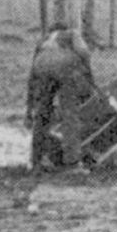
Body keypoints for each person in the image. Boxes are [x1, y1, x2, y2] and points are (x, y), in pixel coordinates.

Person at [26, 28, 99, 171]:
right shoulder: (73, 34)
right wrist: (91, 82)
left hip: (40, 66)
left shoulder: (44, 39)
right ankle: (72, 163)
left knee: (42, 115)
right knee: (69, 115)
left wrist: (29, 109)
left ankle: (36, 161)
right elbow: (84, 54)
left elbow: (31, 78)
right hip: (65, 67)